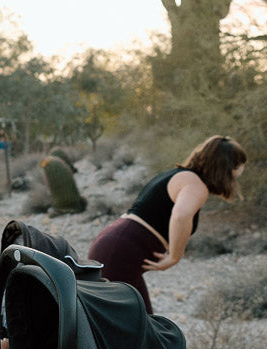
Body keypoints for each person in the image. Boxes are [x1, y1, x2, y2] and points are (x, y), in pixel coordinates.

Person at [86, 135, 247, 314]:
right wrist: (175, 256)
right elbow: (181, 215)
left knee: (144, 325)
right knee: (127, 328)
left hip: (118, 245)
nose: (241, 170)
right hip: (120, 251)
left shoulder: (182, 176)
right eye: (240, 164)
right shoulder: (195, 185)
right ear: (227, 167)